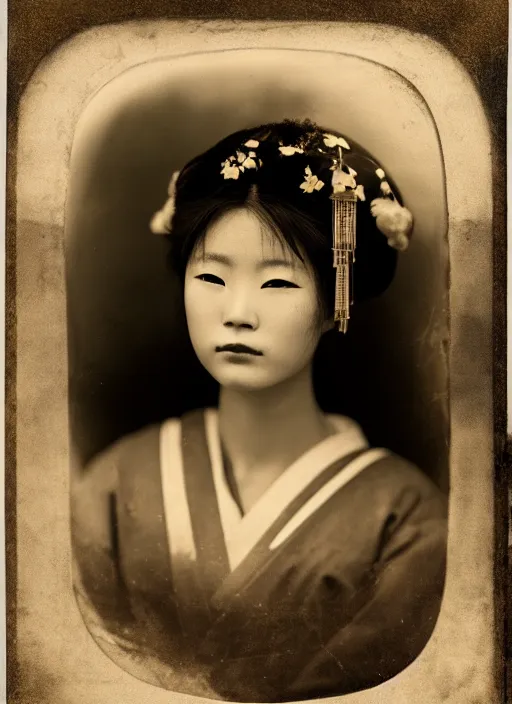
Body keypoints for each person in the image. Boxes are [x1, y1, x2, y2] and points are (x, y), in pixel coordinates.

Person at [71, 119, 447, 702]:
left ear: (335, 303)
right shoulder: (116, 484)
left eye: (276, 284)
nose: (238, 311)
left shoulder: (404, 520)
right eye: (211, 276)